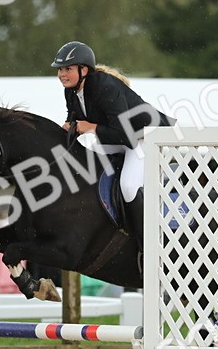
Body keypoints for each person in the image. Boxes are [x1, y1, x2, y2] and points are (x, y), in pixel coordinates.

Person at [51, 40, 174, 243]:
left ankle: (146, 243)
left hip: (147, 137)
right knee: (88, 170)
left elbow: (125, 135)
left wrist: (91, 128)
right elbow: (74, 121)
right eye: (60, 69)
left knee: (128, 186)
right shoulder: (71, 90)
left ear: (84, 70)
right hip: (118, 137)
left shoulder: (105, 86)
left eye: (68, 69)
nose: (62, 74)